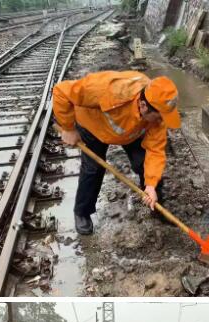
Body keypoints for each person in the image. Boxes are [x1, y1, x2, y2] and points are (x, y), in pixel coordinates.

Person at [52, 71, 181, 235]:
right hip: (93, 128)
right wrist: (68, 128)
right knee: (93, 169)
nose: (161, 122)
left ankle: (156, 205)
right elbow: (62, 91)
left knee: (144, 164)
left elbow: (155, 151)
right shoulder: (108, 89)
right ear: (143, 106)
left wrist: (150, 185)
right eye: (159, 117)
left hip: (131, 132)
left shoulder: (156, 113)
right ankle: (82, 212)